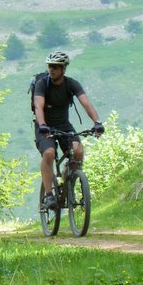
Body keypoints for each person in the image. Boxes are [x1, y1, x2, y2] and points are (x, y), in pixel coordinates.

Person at [34, 50, 104, 209]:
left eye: (56, 67)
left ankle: (69, 184)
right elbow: (38, 106)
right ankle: (49, 195)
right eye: (50, 66)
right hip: (44, 126)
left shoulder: (71, 83)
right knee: (49, 153)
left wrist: (97, 122)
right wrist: (43, 126)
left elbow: (86, 103)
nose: (51, 69)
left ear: (63, 69)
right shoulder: (42, 84)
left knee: (78, 151)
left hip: (64, 125)